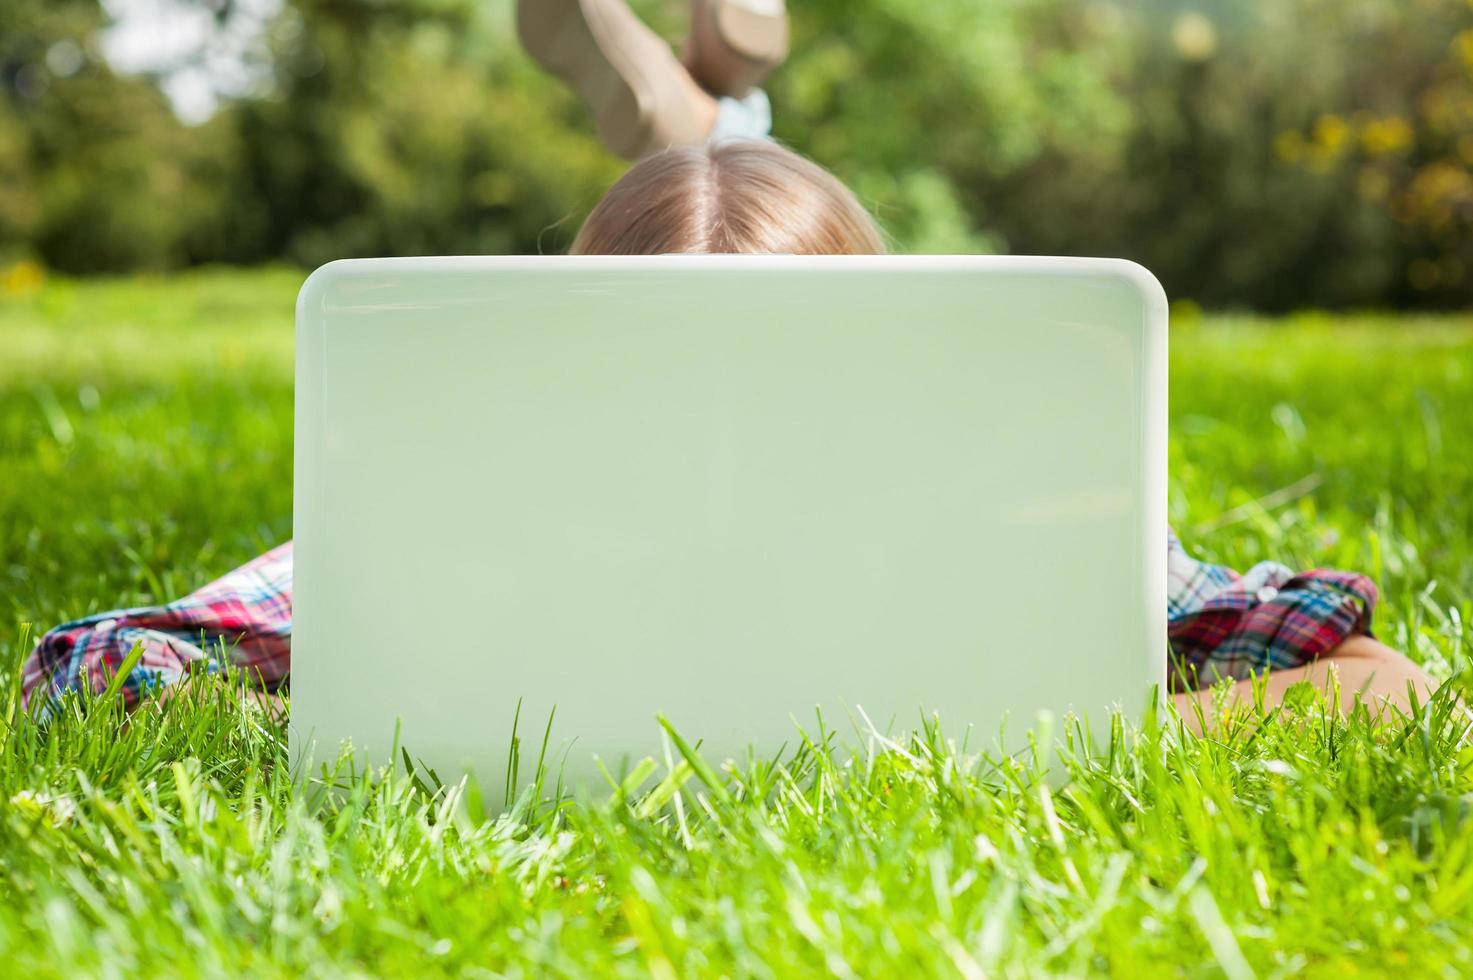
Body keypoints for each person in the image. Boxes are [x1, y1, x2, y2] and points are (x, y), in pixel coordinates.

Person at [21, 0, 1437, 727]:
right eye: (662, 373)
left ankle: (715, 78)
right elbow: (88, 665)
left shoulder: (1000, 533)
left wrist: (1092, 738)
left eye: (776, 374)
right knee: (688, 141)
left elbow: (1383, 687)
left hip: (745, 171)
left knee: (713, 132)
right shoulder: (475, 532)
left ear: (873, 384)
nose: (720, 432)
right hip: (664, 191)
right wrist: (362, 723)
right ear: (575, 382)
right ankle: (686, 83)